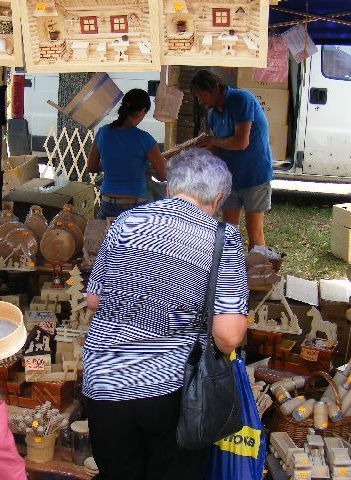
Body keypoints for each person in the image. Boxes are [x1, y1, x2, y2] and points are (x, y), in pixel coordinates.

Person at [82, 147, 248, 480]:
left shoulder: (126, 221)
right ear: (218, 199)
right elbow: (228, 336)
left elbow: (94, 300)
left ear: (170, 187)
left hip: (104, 381)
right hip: (169, 387)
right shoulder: (222, 237)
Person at [191, 69, 274, 250]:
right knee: (228, 231)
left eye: (201, 95)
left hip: (254, 175)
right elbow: (217, 149)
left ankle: (257, 267)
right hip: (229, 179)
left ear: (215, 89)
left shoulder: (241, 99)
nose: (200, 101)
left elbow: (241, 142)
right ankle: (231, 266)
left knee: (254, 231)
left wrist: (212, 141)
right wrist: (203, 151)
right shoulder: (213, 114)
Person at [87, 88, 166, 219]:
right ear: (142, 111)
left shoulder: (103, 132)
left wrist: (112, 164)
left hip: (107, 204)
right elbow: (164, 175)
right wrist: (150, 172)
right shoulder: (145, 139)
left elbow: (91, 167)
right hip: (134, 207)